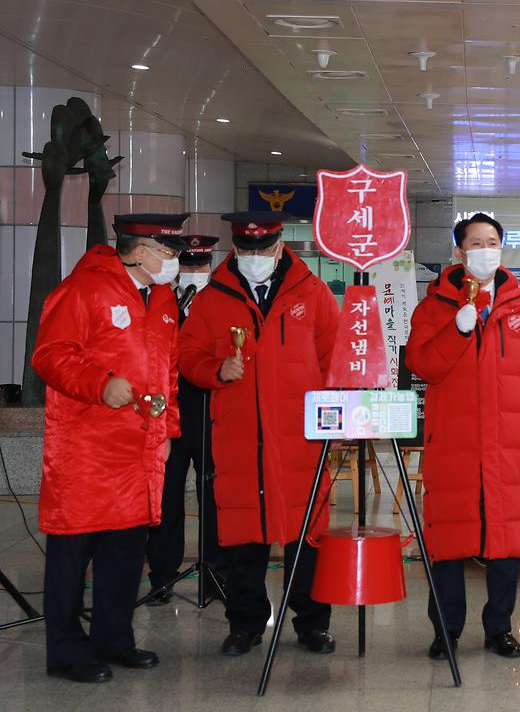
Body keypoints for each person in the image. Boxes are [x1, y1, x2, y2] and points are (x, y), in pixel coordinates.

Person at [33, 213, 188, 682]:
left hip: (139, 449)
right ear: (139, 251)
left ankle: (114, 639)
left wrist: (167, 436)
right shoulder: (84, 289)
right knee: (72, 553)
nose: (174, 261)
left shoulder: (162, 300)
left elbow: (170, 376)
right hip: (86, 448)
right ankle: (65, 652)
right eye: (167, 251)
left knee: (124, 552)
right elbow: (50, 354)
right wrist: (99, 384)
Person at [178, 212, 340, 657]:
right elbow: (187, 353)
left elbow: (333, 358)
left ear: (279, 245)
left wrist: (335, 420)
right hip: (239, 440)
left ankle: (312, 623)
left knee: (306, 536)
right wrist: (214, 370)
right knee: (243, 537)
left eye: (262, 250)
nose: (254, 258)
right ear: (235, 249)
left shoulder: (313, 293)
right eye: (246, 251)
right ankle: (246, 622)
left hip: (300, 440)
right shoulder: (213, 298)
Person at [406, 212, 520, 660]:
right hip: (453, 445)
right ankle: (446, 630)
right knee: (448, 543)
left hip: (509, 443)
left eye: (491, 242)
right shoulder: (433, 307)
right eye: (475, 243)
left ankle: (500, 629)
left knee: (504, 540)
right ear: (459, 252)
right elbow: (423, 365)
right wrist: (457, 330)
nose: (484, 250)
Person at [145, 235, 224, 605]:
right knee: (167, 500)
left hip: (213, 417)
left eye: (201, 265)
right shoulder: (161, 300)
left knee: (215, 502)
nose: (195, 272)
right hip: (171, 419)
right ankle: (162, 576)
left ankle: (215, 575)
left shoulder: (221, 303)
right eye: (189, 265)